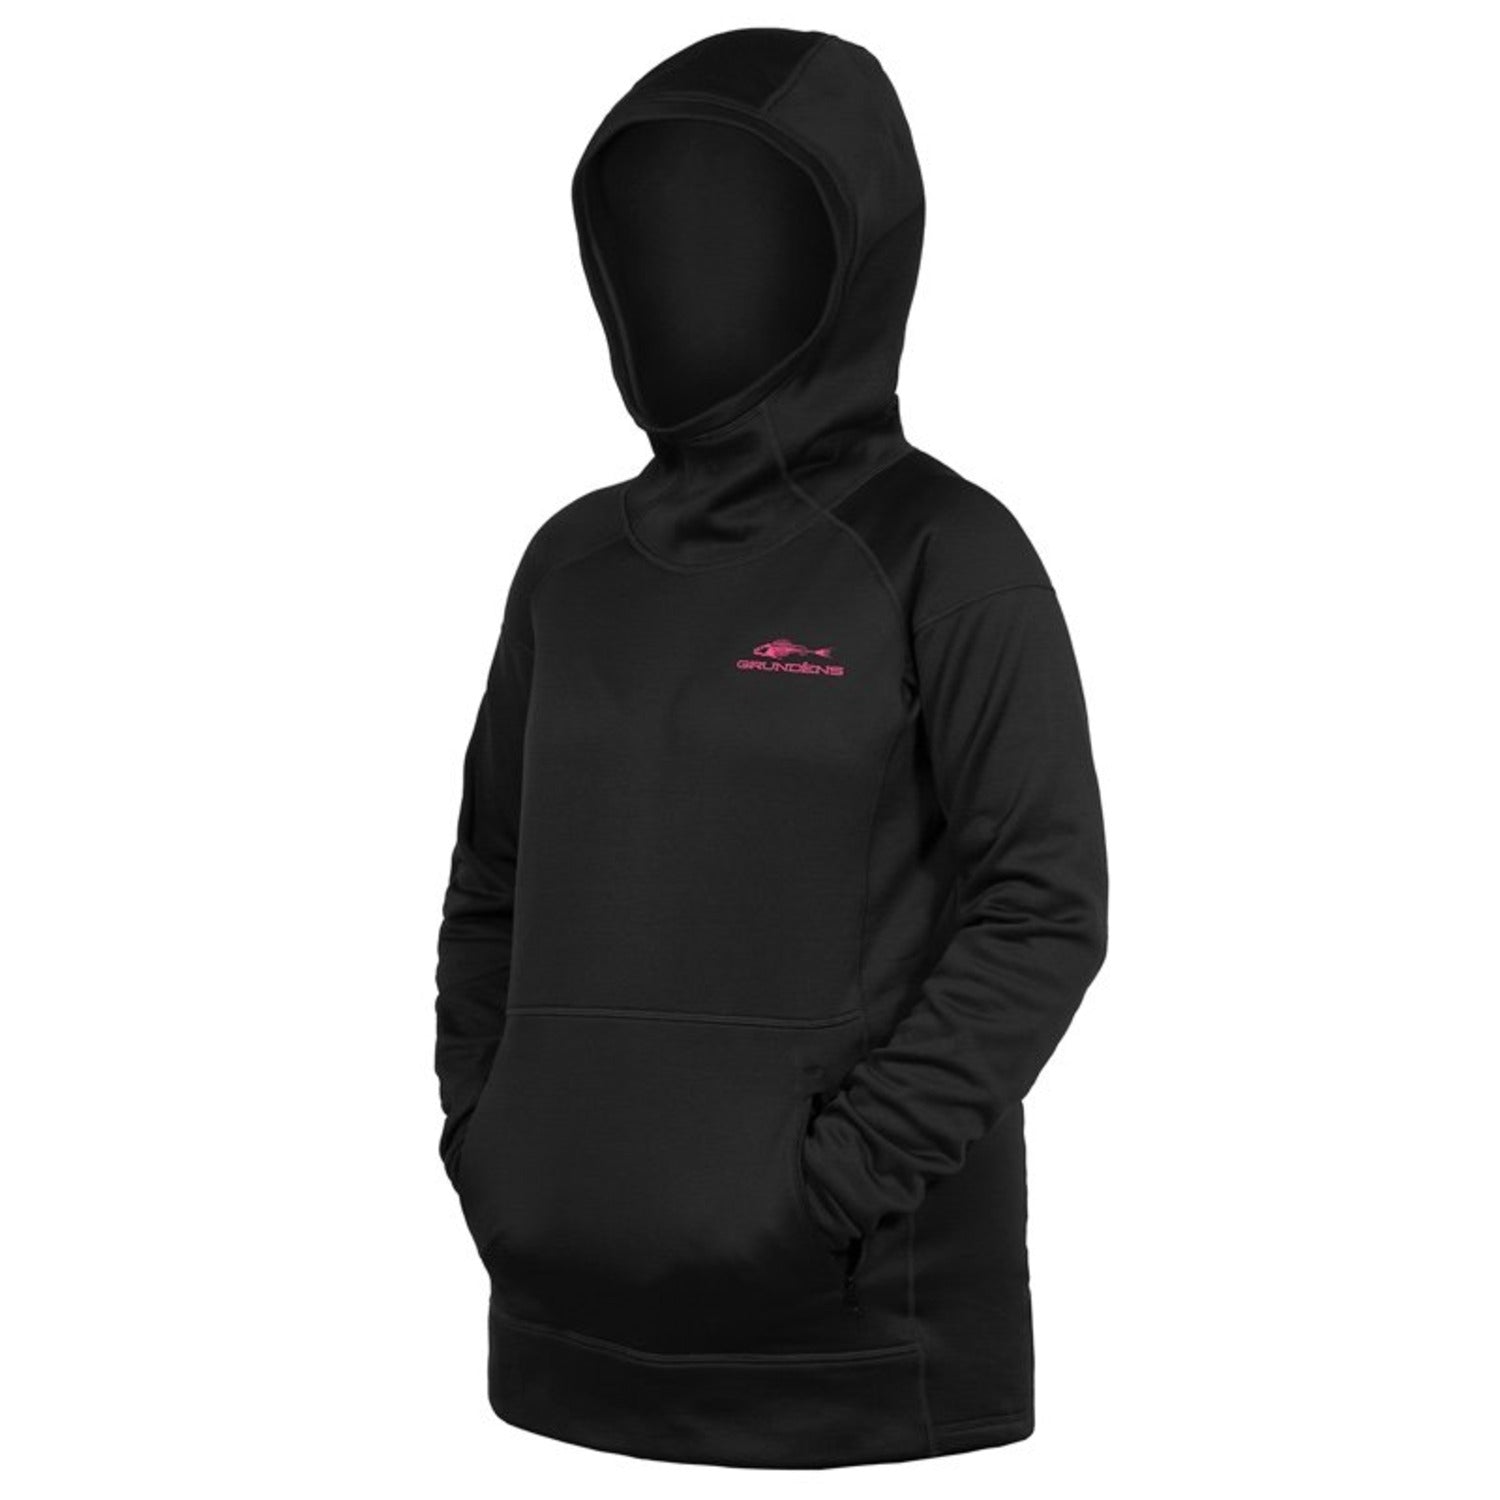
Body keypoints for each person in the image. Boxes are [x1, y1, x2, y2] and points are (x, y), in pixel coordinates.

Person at [434, 26, 1108, 1468]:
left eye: (744, 222)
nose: (688, 265)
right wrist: (490, 1143)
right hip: (557, 1346)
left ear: (854, 253)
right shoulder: (568, 568)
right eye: (652, 222)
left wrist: (829, 1191)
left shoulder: (943, 551)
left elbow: (1044, 911)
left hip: (857, 1355)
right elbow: (492, 884)